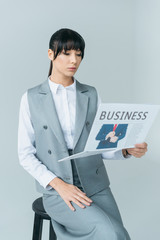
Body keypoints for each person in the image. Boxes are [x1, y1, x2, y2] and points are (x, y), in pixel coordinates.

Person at [18, 28, 147, 240]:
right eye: (67, 53)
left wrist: (126, 149)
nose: (74, 60)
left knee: (119, 235)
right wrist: (59, 185)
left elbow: (101, 145)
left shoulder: (90, 94)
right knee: (110, 234)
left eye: (78, 54)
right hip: (58, 187)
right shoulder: (31, 98)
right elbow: (25, 154)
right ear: (51, 54)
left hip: (95, 184)